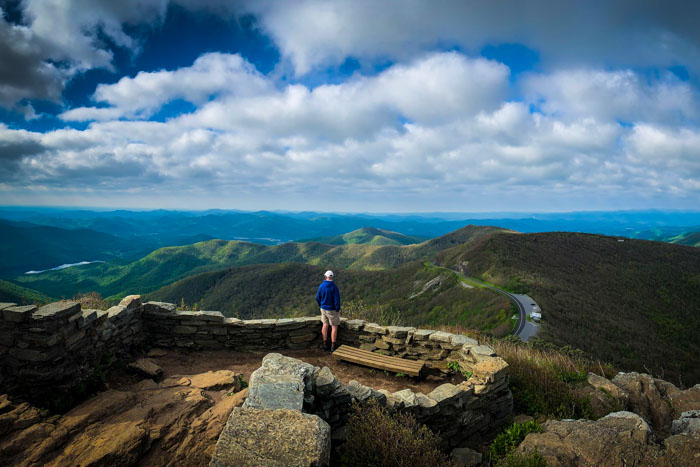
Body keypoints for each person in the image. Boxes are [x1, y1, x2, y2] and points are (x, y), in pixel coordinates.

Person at [316, 269, 340, 351]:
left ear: (325, 276)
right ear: (332, 277)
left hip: (323, 308)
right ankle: (333, 346)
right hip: (332, 309)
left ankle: (325, 344)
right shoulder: (334, 287)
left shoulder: (321, 286)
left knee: (325, 325)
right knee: (334, 327)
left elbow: (317, 298)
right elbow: (337, 300)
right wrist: (337, 309)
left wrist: (321, 305)